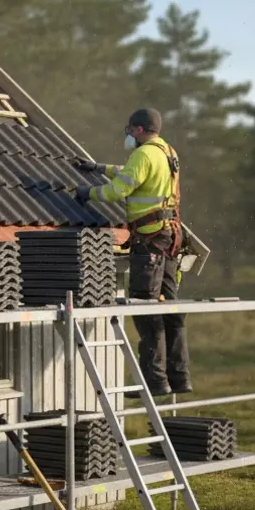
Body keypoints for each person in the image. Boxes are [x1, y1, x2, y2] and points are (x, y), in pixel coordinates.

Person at [72, 107, 191, 398]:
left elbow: (118, 191)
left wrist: (89, 193)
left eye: (129, 130)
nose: (127, 136)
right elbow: (135, 174)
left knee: (145, 310)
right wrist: (99, 168)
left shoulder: (143, 154)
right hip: (170, 238)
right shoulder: (166, 151)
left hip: (150, 241)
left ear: (138, 130)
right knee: (170, 310)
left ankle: (154, 381)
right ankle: (180, 377)